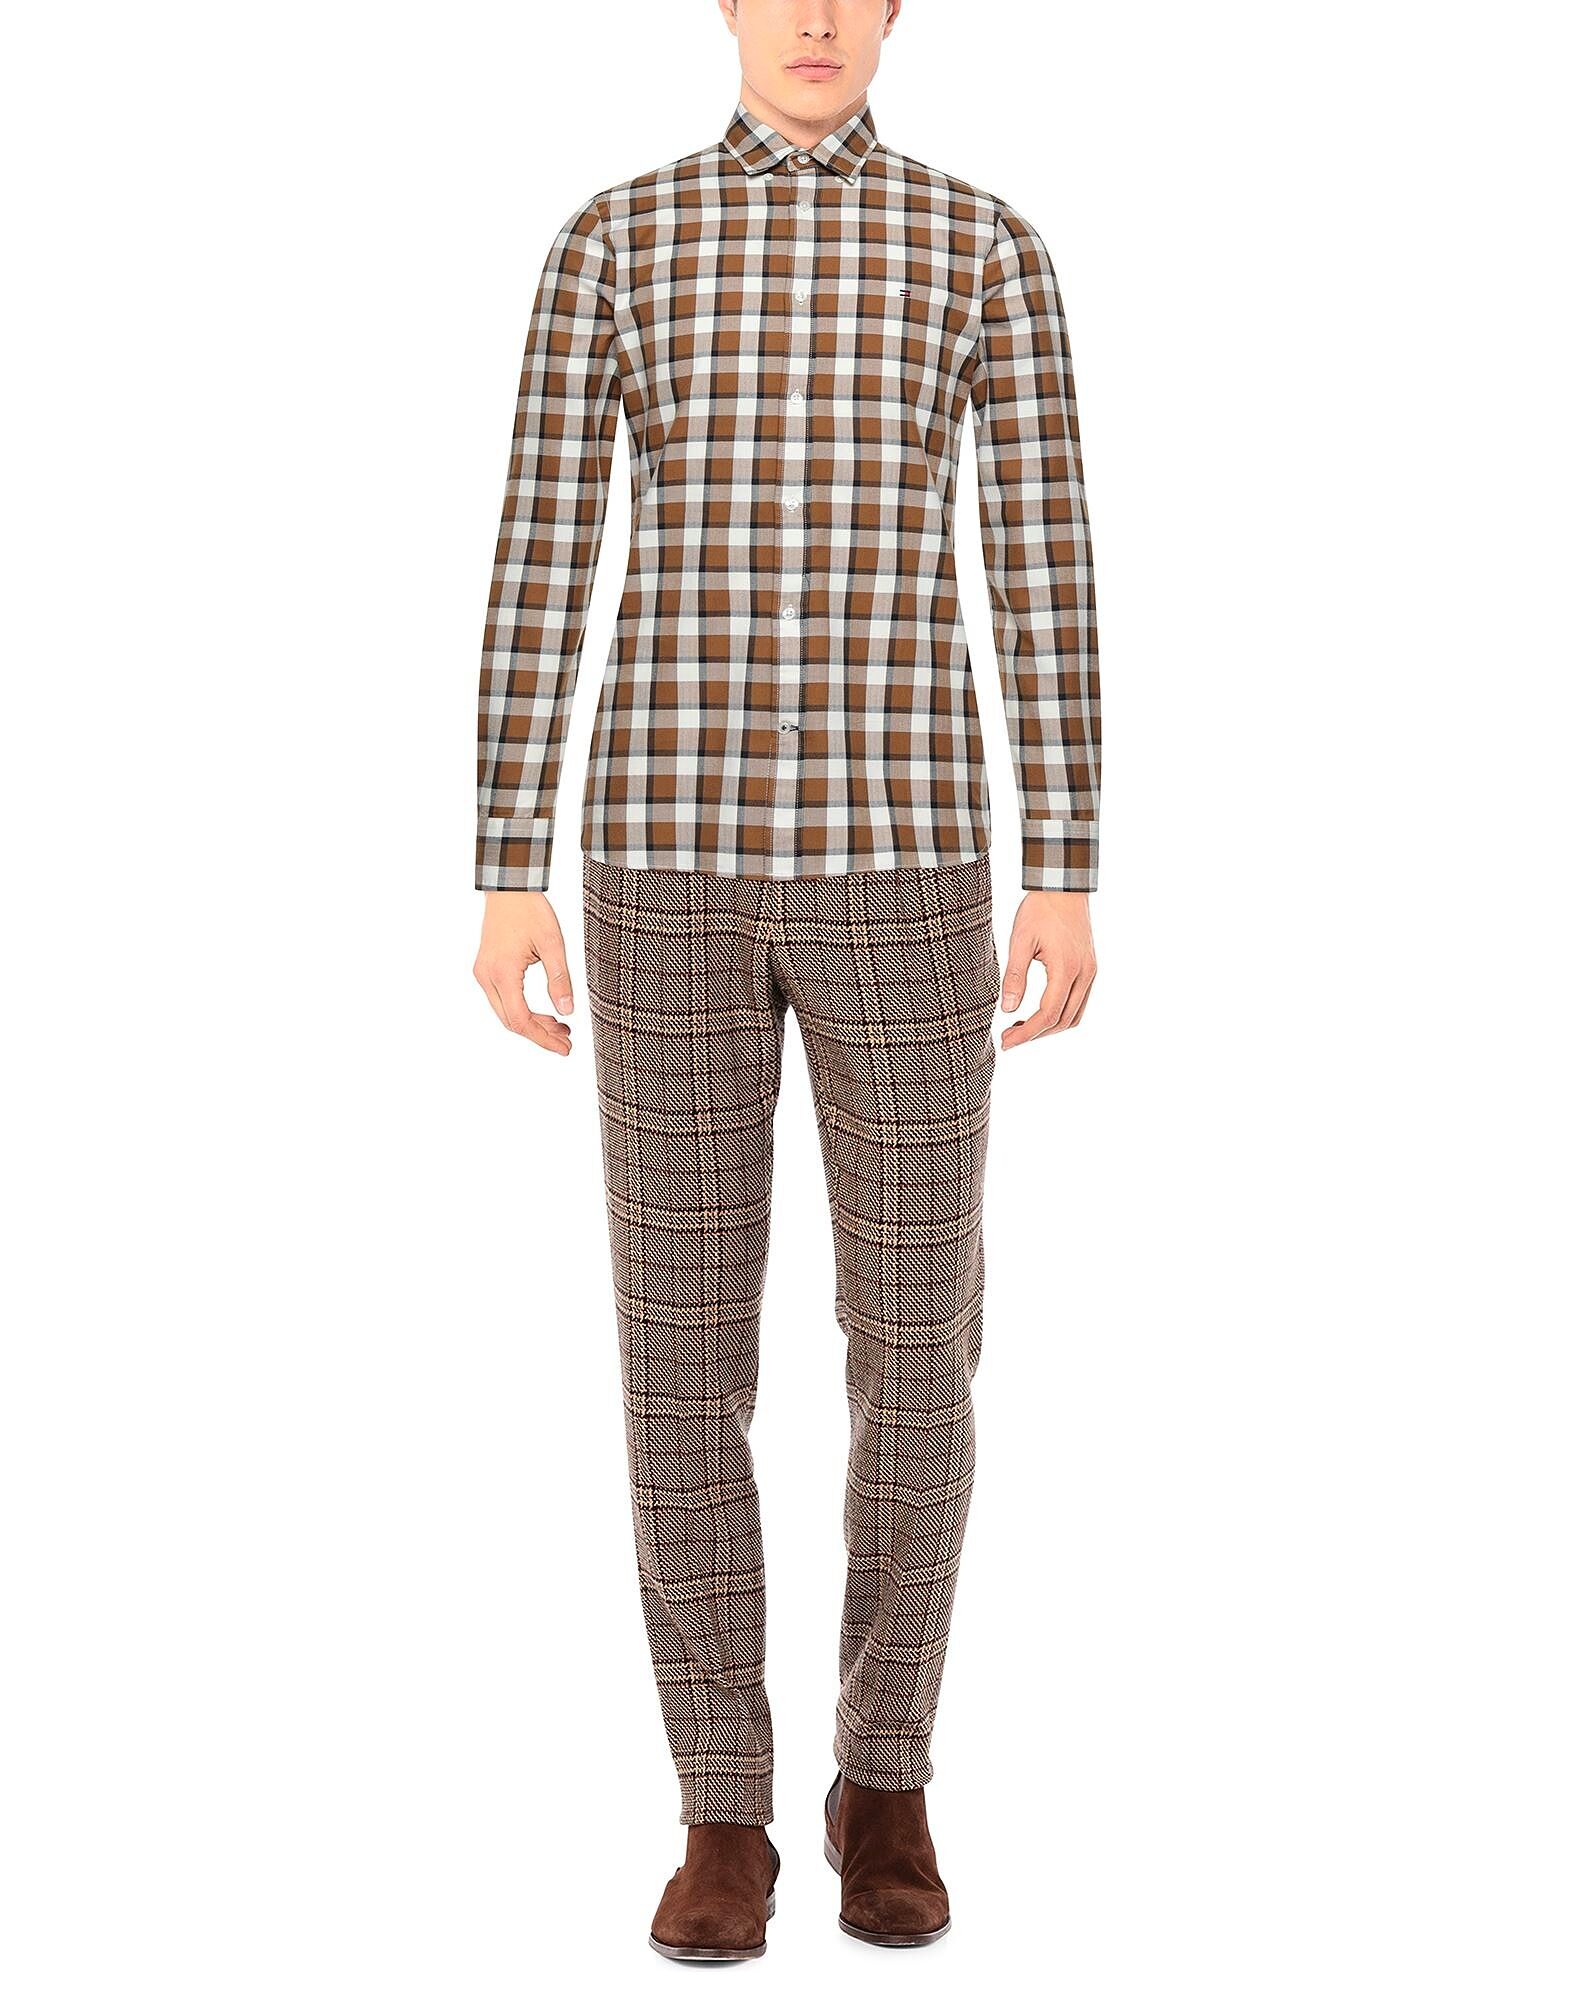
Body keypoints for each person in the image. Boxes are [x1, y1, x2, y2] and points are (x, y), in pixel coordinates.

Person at [472, 0, 1099, 1961]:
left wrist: (1066, 861)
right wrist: (505, 861)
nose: (815, 17)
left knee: (919, 1340)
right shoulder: (615, 238)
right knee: (680, 1352)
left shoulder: (983, 245)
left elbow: (1045, 558)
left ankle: (884, 1773)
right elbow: (543, 547)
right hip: (660, 859)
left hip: (910, 859)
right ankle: (720, 1806)